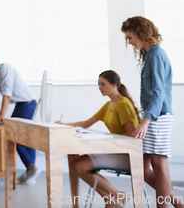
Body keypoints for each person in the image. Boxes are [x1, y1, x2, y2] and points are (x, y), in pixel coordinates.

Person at [121, 16, 183, 208]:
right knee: (140, 166)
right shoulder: (150, 55)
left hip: (157, 117)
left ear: (140, 33)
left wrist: (146, 121)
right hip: (152, 116)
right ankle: (177, 203)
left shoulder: (156, 55)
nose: (129, 42)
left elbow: (158, 93)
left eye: (130, 37)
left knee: (159, 165)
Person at [57, 70, 139, 208]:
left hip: (127, 155)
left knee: (78, 166)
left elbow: (132, 135)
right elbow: (86, 123)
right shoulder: (109, 105)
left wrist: (106, 141)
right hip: (116, 151)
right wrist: (63, 125)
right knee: (75, 164)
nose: (99, 87)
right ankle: (111, 200)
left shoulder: (123, 104)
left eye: (103, 84)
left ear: (114, 85)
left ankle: (119, 195)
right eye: (98, 84)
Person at [0, 50, 40, 185]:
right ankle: (31, 170)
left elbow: (7, 94)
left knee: (15, 137)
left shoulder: (5, 69)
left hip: (27, 103)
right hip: (21, 104)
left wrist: (1, 115)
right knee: (20, 137)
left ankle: (32, 168)